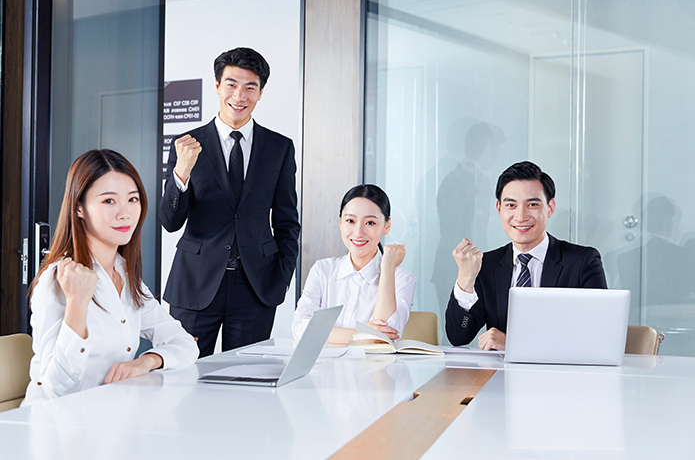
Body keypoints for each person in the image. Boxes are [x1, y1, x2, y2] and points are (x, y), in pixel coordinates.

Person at [24, 149, 198, 406]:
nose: (124, 213)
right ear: (79, 208)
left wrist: (146, 361)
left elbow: (184, 343)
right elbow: (57, 390)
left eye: (132, 199)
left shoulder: (125, 274)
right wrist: (77, 304)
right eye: (108, 201)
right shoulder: (58, 280)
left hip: (110, 414)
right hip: (57, 422)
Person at [160, 47, 300, 357]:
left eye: (250, 87)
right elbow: (170, 222)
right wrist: (182, 172)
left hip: (256, 286)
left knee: (245, 376)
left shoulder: (279, 148)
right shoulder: (186, 144)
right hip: (195, 283)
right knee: (186, 372)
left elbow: (288, 223)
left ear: (260, 93)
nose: (239, 95)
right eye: (231, 84)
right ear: (217, 86)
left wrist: (280, 277)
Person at [445, 161, 607, 350]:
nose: (521, 216)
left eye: (532, 204)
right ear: (499, 209)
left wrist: (513, 344)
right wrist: (465, 280)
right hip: (501, 369)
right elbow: (458, 336)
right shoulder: (487, 265)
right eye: (511, 205)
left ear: (550, 207)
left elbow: (597, 335)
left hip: (560, 368)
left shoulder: (582, 262)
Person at [292, 184, 417, 344]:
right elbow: (300, 328)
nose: (358, 233)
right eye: (350, 221)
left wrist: (387, 268)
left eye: (370, 223)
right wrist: (362, 334)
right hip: (326, 361)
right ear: (340, 223)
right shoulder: (322, 270)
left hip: (373, 362)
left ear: (387, 225)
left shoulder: (402, 278)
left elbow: (383, 338)